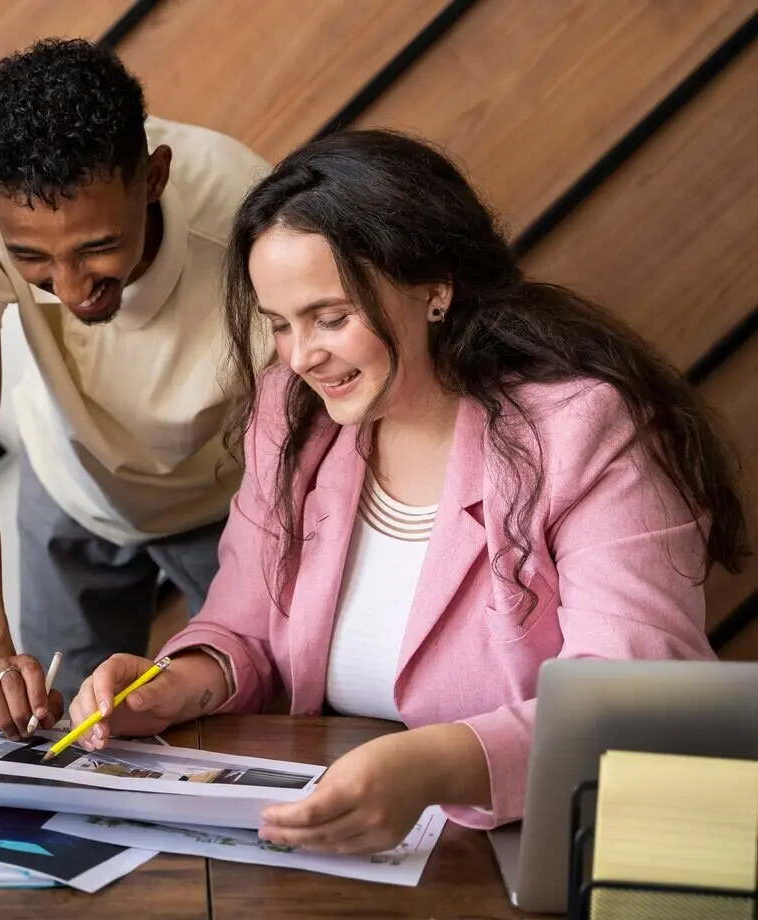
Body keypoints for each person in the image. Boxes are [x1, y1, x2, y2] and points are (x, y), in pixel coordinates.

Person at [68, 128, 749, 854]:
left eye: (331, 318)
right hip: (331, 843)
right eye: (280, 326)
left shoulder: (585, 431)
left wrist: (432, 766)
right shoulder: (292, 414)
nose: (302, 357)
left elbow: (635, 703)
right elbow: (248, 625)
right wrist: (180, 683)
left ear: (435, 290)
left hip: (528, 847)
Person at [0, 38, 270, 736]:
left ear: (154, 179)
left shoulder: (251, 218)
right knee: (64, 736)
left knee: (247, 716)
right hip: (69, 486)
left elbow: (310, 450)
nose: (72, 290)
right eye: (32, 260)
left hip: (229, 503)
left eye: (97, 248)